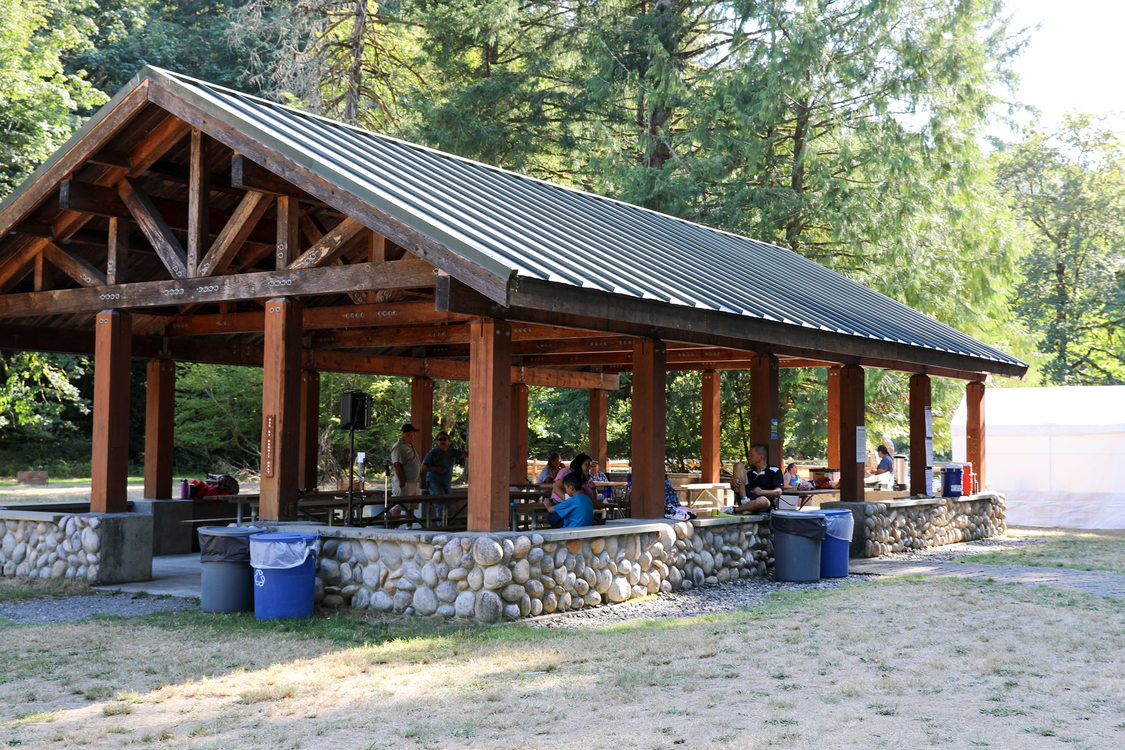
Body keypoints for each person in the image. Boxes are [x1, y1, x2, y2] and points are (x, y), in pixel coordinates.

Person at [732, 444, 783, 513]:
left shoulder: (775, 470)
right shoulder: (748, 472)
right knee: (738, 465)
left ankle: (735, 510)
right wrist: (733, 481)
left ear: (761, 457)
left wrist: (762, 491)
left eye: (752, 455)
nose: (749, 457)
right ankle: (745, 502)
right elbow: (734, 488)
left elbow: (779, 492)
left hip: (762, 504)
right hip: (746, 499)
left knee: (762, 501)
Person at [421, 431, 468, 495]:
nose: (442, 441)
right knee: (440, 501)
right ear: (437, 442)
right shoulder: (432, 453)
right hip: (434, 482)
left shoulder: (452, 451)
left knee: (448, 503)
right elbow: (423, 467)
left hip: (446, 482)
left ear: (448, 441)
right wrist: (436, 469)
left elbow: (466, 454)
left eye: (444, 439)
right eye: (440, 439)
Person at [390, 423, 422, 496]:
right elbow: (397, 464)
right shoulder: (399, 446)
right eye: (413, 433)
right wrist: (402, 481)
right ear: (407, 434)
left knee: (411, 505)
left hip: (414, 482)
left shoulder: (409, 445)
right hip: (405, 483)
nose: (414, 436)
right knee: (401, 506)